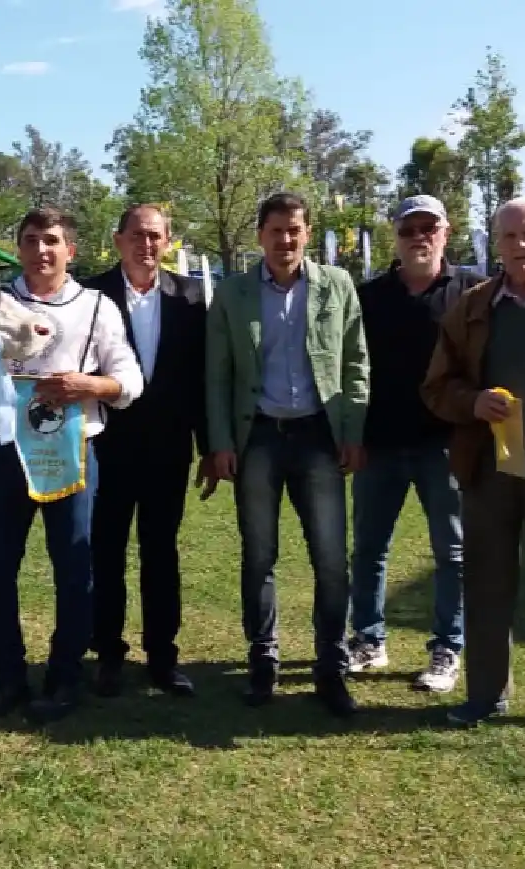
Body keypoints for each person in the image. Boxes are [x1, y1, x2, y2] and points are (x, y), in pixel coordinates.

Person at [0, 206, 144, 724]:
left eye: (51, 241)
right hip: (7, 452)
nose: (41, 250)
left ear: (71, 250)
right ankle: (8, 678)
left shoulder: (97, 307)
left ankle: (65, 677)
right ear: (19, 248)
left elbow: (129, 382)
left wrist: (86, 387)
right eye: (30, 240)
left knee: (74, 571)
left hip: (71, 453)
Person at [421, 196, 525, 737]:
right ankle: (486, 694)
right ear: (496, 243)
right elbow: (436, 387)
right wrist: (472, 403)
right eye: (509, 237)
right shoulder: (470, 307)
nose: (520, 246)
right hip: (490, 466)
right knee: (488, 581)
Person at [205, 191, 368, 716]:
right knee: (260, 556)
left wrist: (352, 429)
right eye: (276, 230)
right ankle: (263, 659)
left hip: (319, 436)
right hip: (259, 440)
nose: (286, 240)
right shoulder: (232, 294)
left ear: (307, 232)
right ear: (260, 236)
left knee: (331, 560)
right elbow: (218, 375)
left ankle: (331, 665)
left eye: (295, 230)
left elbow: (356, 363)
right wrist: (221, 442)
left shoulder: (337, 285)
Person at [347, 195, 484, 691]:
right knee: (368, 550)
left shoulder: (473, 292)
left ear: (447, 232)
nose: (419, 237)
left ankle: (447, 649)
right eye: (409, 230)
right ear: (396, 236)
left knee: (451, 553)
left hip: (445, 446)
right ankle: (367, 640)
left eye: (429, 228)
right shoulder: (368, 296)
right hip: (379, 445)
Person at [82, 203, 216, 697]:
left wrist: (209, 447)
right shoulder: (92, 294)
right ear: (118, 240)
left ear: (168, 241)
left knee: (161, 552)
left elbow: (202, 378)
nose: (147, 244)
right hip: (106, 448)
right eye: (137, 235)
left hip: (168, 450)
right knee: (107, 551)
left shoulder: (190, 297)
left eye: (156, 236)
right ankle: (108, 655)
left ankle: (163, 657)